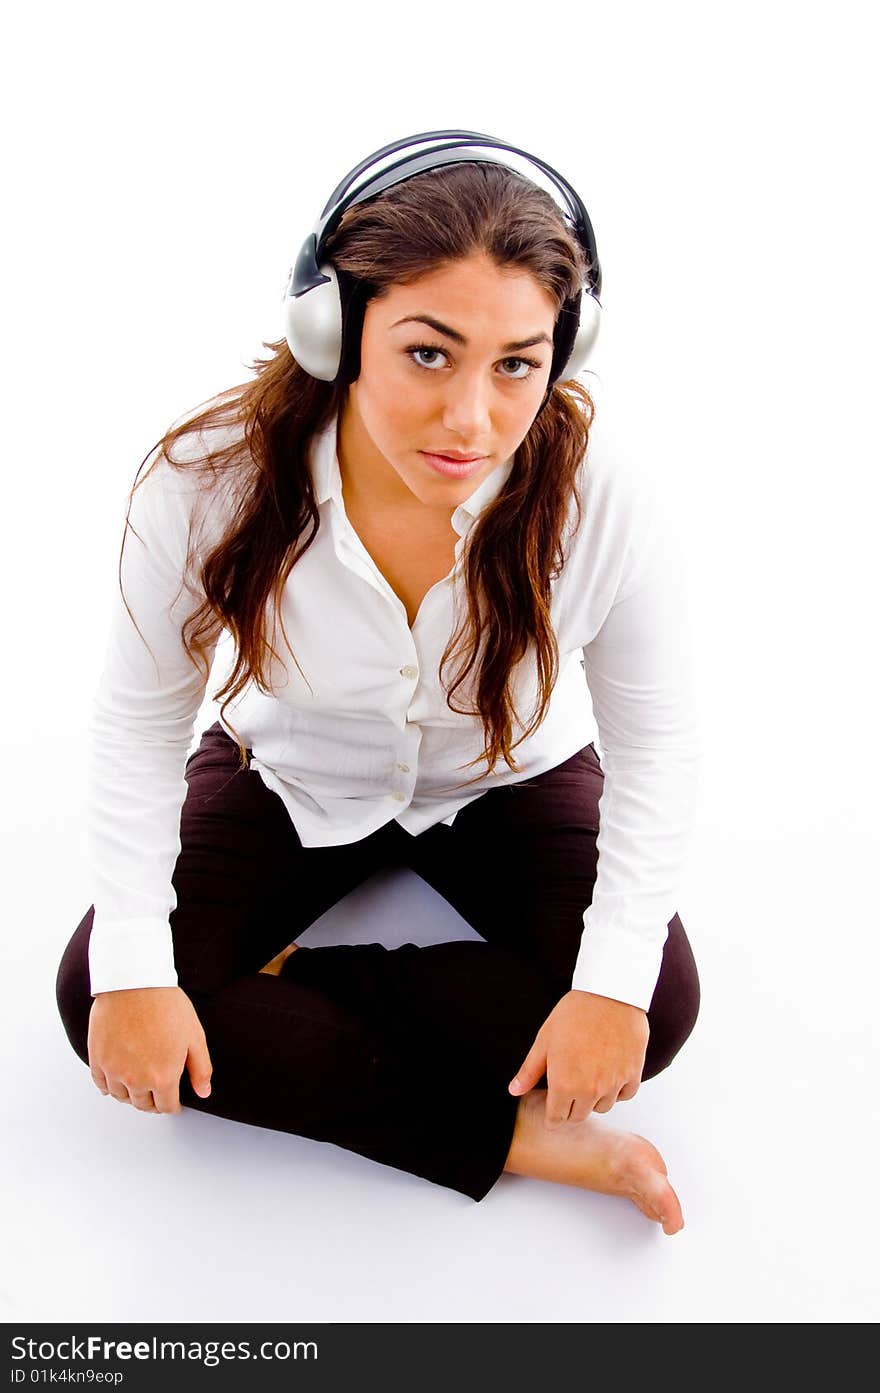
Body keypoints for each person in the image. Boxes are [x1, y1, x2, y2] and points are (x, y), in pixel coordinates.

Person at [55, 131, 702, 1234]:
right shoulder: (205, 476)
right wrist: (138, 974)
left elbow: (659, 745)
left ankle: (274, 987)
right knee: (98, 994)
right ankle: (510, 1133)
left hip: (512, 778)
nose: (472, 420)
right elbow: (136, 718)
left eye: (516, 363)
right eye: (427, 353)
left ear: (563, 351)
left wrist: (605, 990)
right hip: (285, 770)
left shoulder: (606, 495)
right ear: (336, 329)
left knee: (656, 1003)